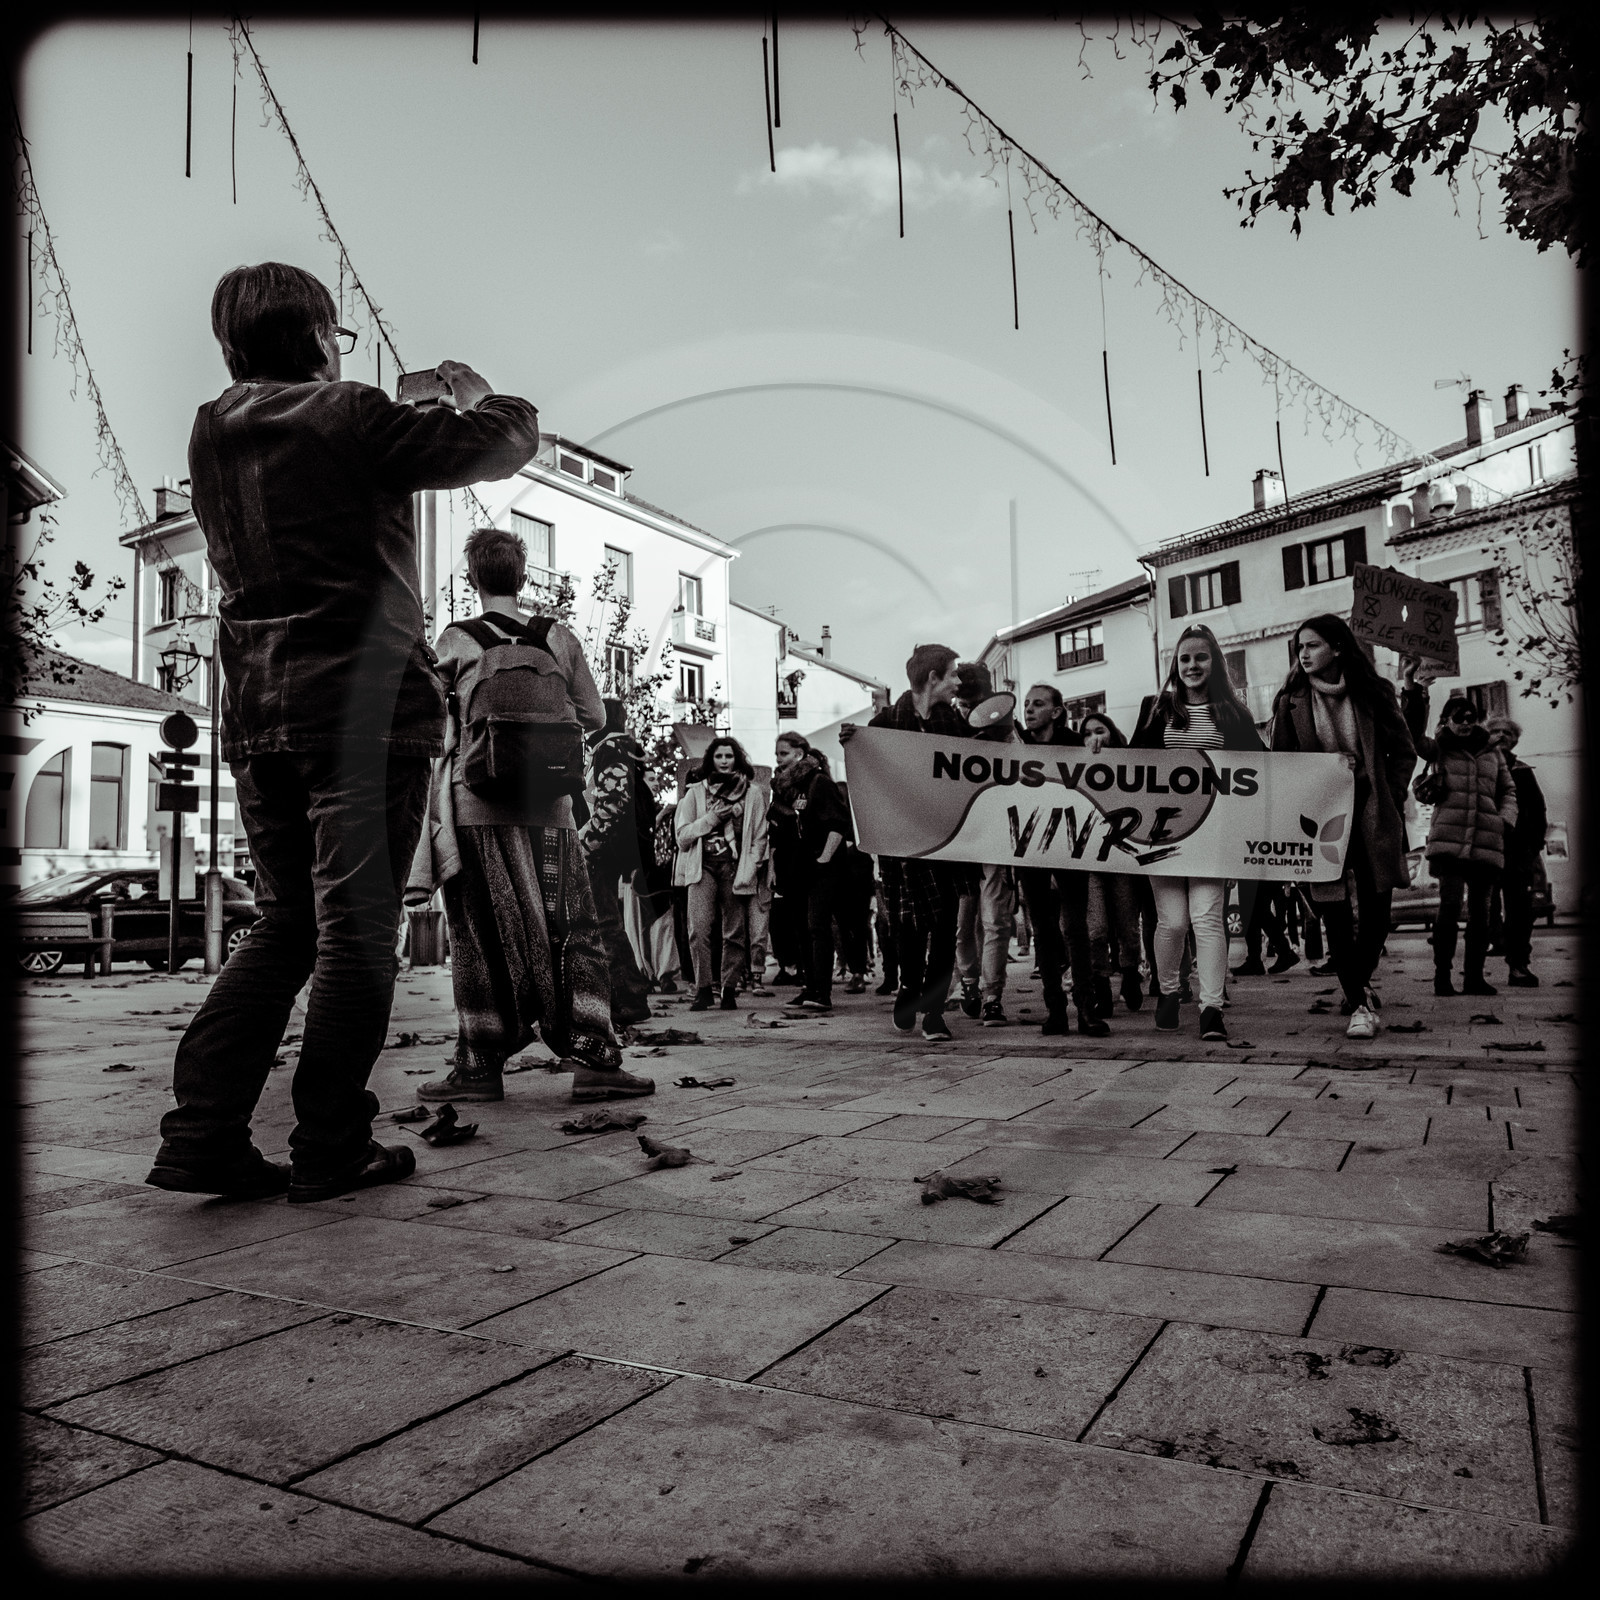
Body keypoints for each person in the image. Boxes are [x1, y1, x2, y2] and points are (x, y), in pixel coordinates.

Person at [147, 262, 542, 1204]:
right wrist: (476, 394)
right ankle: (331, 1142)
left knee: (287, 921)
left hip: (260, 710)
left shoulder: (212, 428)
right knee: (358, 932)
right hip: (363, 710)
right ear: (321, 335)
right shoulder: (350, 413)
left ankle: (202, 1131)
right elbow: (502, 442)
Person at [408, 529, 652, 1105]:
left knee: (479, 934)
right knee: (574, 930)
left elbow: (430, 717)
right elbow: (594, 716)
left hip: (476, 807)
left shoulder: (457, 638)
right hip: (552, 811)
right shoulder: (558, 637)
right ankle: (594, 1059)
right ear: (522, 577)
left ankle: (479, 1066)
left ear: (473, 578)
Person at [1268, 616, 1417, 1041]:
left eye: (1312, 645)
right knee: (1332, 907)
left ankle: (1359, 981)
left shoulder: (1374, 692)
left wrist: (1389, 792)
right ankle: (1358, 1003)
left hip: (1371, 809)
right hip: (1321, 816)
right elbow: (1282, 764)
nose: (1303, 654)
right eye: (1299, 647)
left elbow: (1404, 751)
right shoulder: (1291, 701)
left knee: (1377, 911)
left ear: (1337, 647)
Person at [1131, 623, 1265, 1042]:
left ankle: (1211, 1009)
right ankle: (1169, 992)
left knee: (1207, 919)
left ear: (1215, 663)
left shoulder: (1235, 713)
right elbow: (1130, 763)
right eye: (1185, 658)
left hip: (1214, 832)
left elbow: (1264, 766)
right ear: (1176, 664)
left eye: (1200, 657)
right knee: (1172, 922)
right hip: (1163, 835)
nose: (1192, 665)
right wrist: (1099, 751)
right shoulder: (1156, 709)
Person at [841, 643, 977, 1042]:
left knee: (946, 929)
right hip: (904, 848)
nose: (957, 682)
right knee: (910, 929)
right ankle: (908, 987)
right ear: (933, 677)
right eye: (952, 673)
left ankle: (933, 1012)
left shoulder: (954, 724)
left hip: (947, 842)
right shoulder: (885, 723)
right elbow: (867, 773)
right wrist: (854, 742)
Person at [1402, 677, 1517, 996]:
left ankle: (1474, 978)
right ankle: (1442, 976)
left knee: (1481, 914)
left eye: (1470, 717)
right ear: (1447, 721)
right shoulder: (1438, 748)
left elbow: (1508, 790)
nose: (1466, 723)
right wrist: (1416, 689)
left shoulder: (1492, 754)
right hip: (1449, 843)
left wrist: (1504, 820)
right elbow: (1411, 735)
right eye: (1458, 718)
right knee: (1450, 908)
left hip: (1485, 841)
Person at [1014, 684, 1108, 1037]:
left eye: (1037, 704)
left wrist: (1094, 750)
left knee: (1075, 928)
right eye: (1026, 704)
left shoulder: (1075, 744)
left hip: (1070, 842)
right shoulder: (1015, 744)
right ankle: (1055, 1010)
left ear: (1056, 712)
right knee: (1043, 930)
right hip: (1029, 844)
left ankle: (1086, 1009)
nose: (1029, 709)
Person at [580, 698, 656, 1033]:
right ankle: (624, 997)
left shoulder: (610, 750)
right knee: (605, 924)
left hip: (600, 854)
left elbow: (611, 803)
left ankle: (629, 998)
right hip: (607, 853)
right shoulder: (614, 750)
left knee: (605, 924)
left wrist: (586, 844)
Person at [675, 736, 768, 1010]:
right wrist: (711, 819)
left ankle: (729, 989)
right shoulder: (695, 793)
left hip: (735, 868)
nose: (724, 761)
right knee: (698, 930)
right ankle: (704, 988)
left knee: (735, 933)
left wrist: (751, 867)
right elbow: (682, 837)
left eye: (729, 756)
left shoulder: (752, 793)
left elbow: (760, 837)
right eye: (719, 756)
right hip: (702, 867)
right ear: (711, 760)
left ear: (737, 759)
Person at [951, 661, 1019, 1027]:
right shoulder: (945, 725)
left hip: (994, 835)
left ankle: (992, 995)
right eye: (963, 702)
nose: (967, 709)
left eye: (972, 701)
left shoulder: (1005, 725)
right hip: (961, 838)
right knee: (963, 923)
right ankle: (970, 984)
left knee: (995, 920)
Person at [772, 732, 855, 1012]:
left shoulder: (819, 782)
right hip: (796, 868)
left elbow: (838, 823)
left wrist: (824, 858)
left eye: (784, 753)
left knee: (817, 925)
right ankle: (809, 988)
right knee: (801, 929)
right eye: (777, 754)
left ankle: (822, 991)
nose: (779, 759)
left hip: (821, 868)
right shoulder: (785, 788)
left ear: (799, 753)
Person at [1076, 709, 1150, 1012]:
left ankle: (1130, 975)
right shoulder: (1075, 767)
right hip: (1089, 859)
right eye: (1087, 733)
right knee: (1096, 929)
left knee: (1127, 926)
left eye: (1099, 731)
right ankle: (1101, 983)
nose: (1093, 738)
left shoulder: (1130, 765)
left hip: (1122, 858)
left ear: (1113, 735)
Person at [1486, 714, 1548, 986]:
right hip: (1486, 849)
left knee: (1520, 910)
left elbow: (1538, 811)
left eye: (1507, 733)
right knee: (1485, 909)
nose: (1501, 736)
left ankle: (1519, 965)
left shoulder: (1522, 771)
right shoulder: (1480, 767)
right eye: (1496, 731)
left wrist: (1533, 847)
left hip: (1518, 852)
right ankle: (1478, 967)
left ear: (1515, 740)